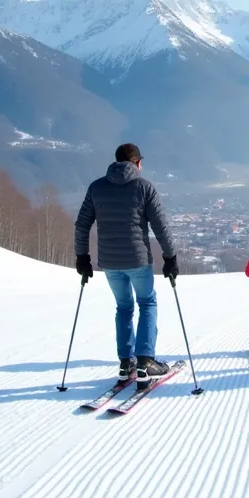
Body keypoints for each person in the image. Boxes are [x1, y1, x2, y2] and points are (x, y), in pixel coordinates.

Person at [75, 143, 179, 389]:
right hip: (138, 259)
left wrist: (82, 257)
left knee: (123, 307)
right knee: (147, 303)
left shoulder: (97, 187)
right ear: (137, 163)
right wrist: (170, 257)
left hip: (110, 262)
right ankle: (145, 362)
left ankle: (126, 363)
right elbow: (161, 227)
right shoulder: (144, 187)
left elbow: (81, 225)